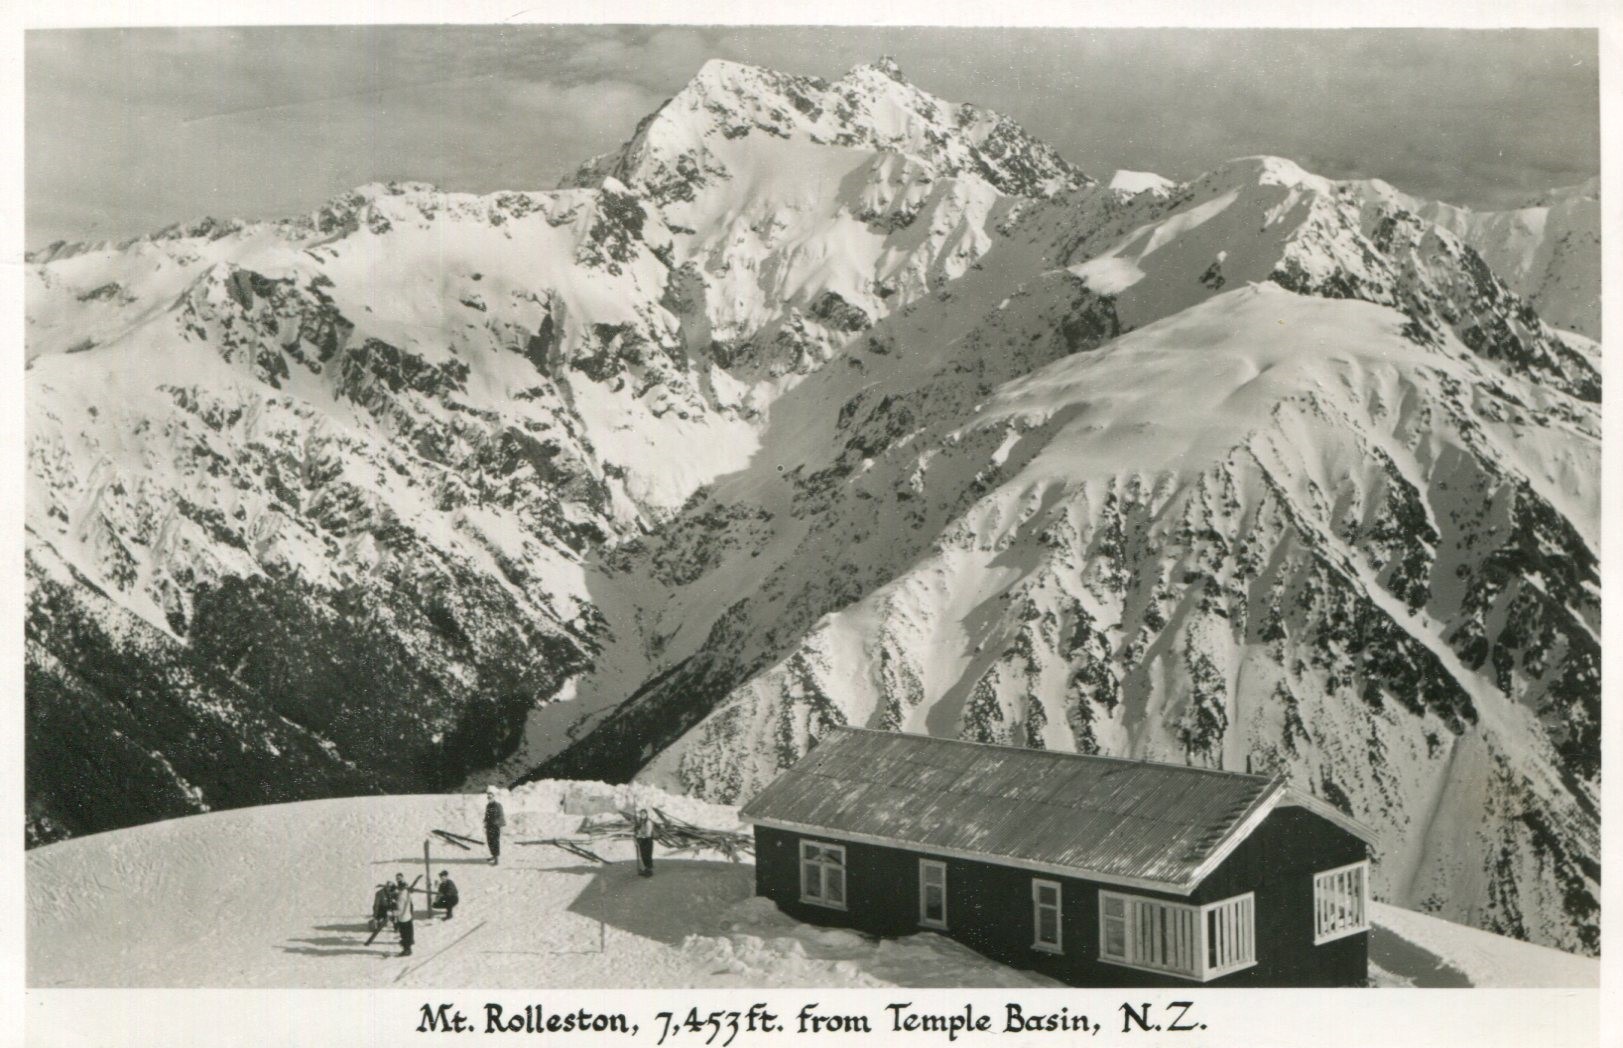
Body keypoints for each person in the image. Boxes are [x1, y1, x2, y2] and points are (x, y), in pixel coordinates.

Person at [393, 872, 415, 957]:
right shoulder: (406, 892)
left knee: (404, 934)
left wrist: (392, 913)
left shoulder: (401, 897)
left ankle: (407, 950)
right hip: (408, 916)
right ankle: (408, 945)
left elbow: (400, 910)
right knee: (409, 933)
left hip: (403, 918)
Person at [484, 787, 506, 866]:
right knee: (489, 841)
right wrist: (485, 821)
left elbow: (501, 815)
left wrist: (497, 823)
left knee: (495, 842)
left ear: (493, 797)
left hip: (495, 826)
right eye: (488, 797)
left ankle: (496, 860)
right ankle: (493, 855)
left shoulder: (498, 805)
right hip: (489, 826)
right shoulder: (488, 806)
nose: (489, 798)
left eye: (490, 797)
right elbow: (486, 815)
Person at [634, 807, 655, 877]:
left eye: (644, 814)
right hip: (642, 840)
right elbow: (639, 831)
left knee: (647, 855)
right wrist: (637, 831)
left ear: (646, 814)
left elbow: (648, 833)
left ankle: (649, 871)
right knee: (643, 855)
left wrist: (640, 835)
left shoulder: (648, 822)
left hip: (648, 840)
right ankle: (646, 869)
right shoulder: (641, 822)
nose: (642, 815)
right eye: (641, 814)